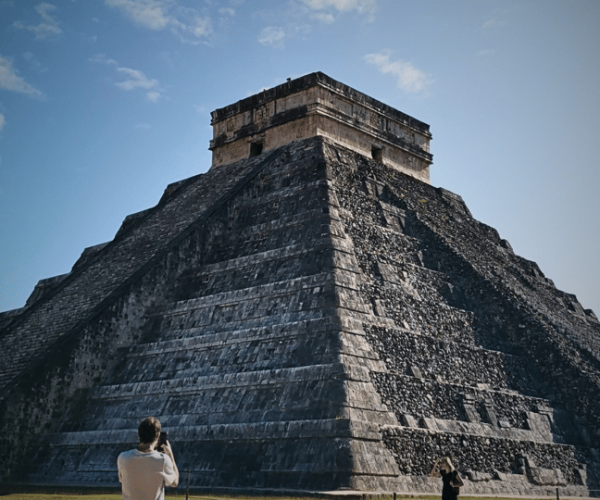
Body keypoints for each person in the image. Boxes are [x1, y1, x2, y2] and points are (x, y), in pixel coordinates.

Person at [117, 417, 179, 500]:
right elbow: (175, 483)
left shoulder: (123, 457)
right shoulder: (162, 460)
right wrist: (171, 456)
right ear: (157, 436)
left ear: (139, 435)